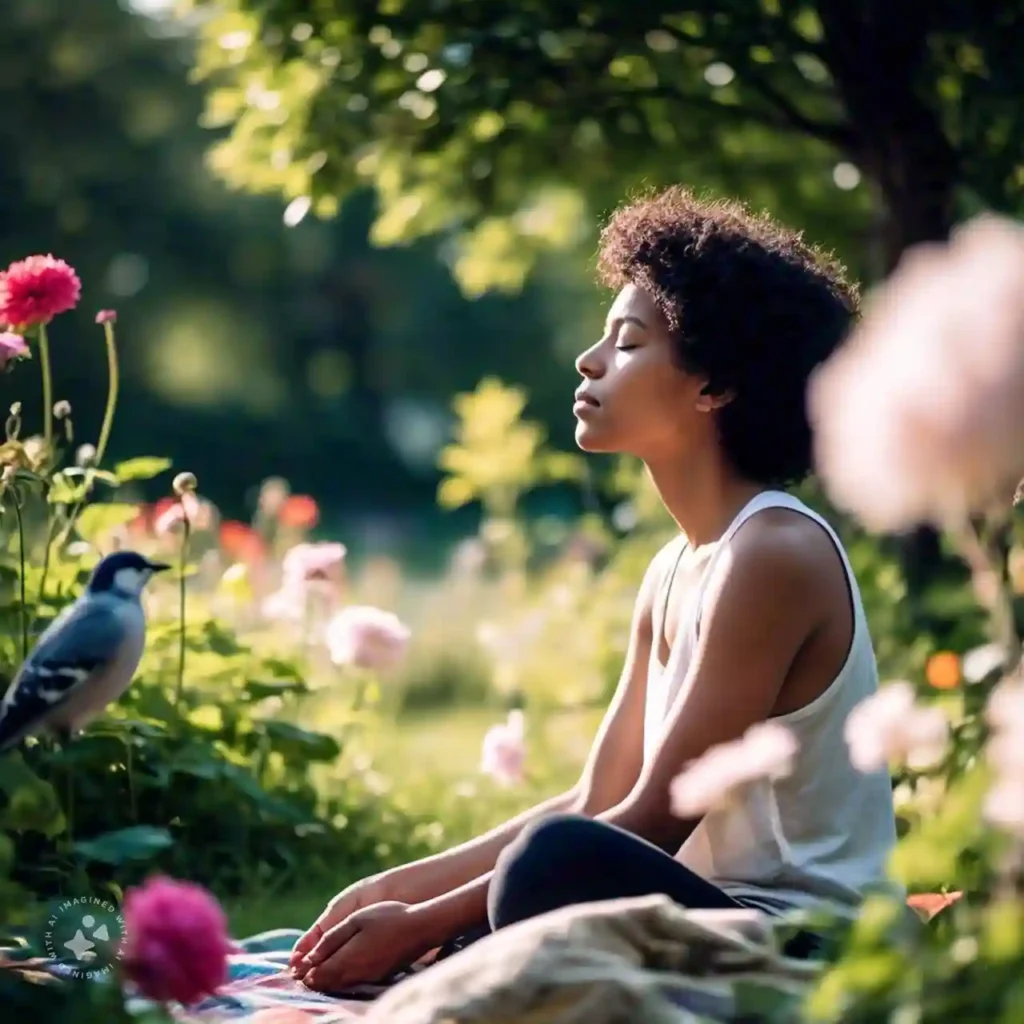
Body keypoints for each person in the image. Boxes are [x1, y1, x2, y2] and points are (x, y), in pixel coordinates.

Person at [289, 186, 899, 993]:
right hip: (698, 917)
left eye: (629, 341)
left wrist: (430, 922)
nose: (590, 359)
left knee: (550, 867)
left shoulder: (776, 551)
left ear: (712, 385)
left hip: (799, 948)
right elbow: (596, 793)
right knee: (544, 864)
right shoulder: (674, 567)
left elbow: (654, 817)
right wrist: (396, 889)